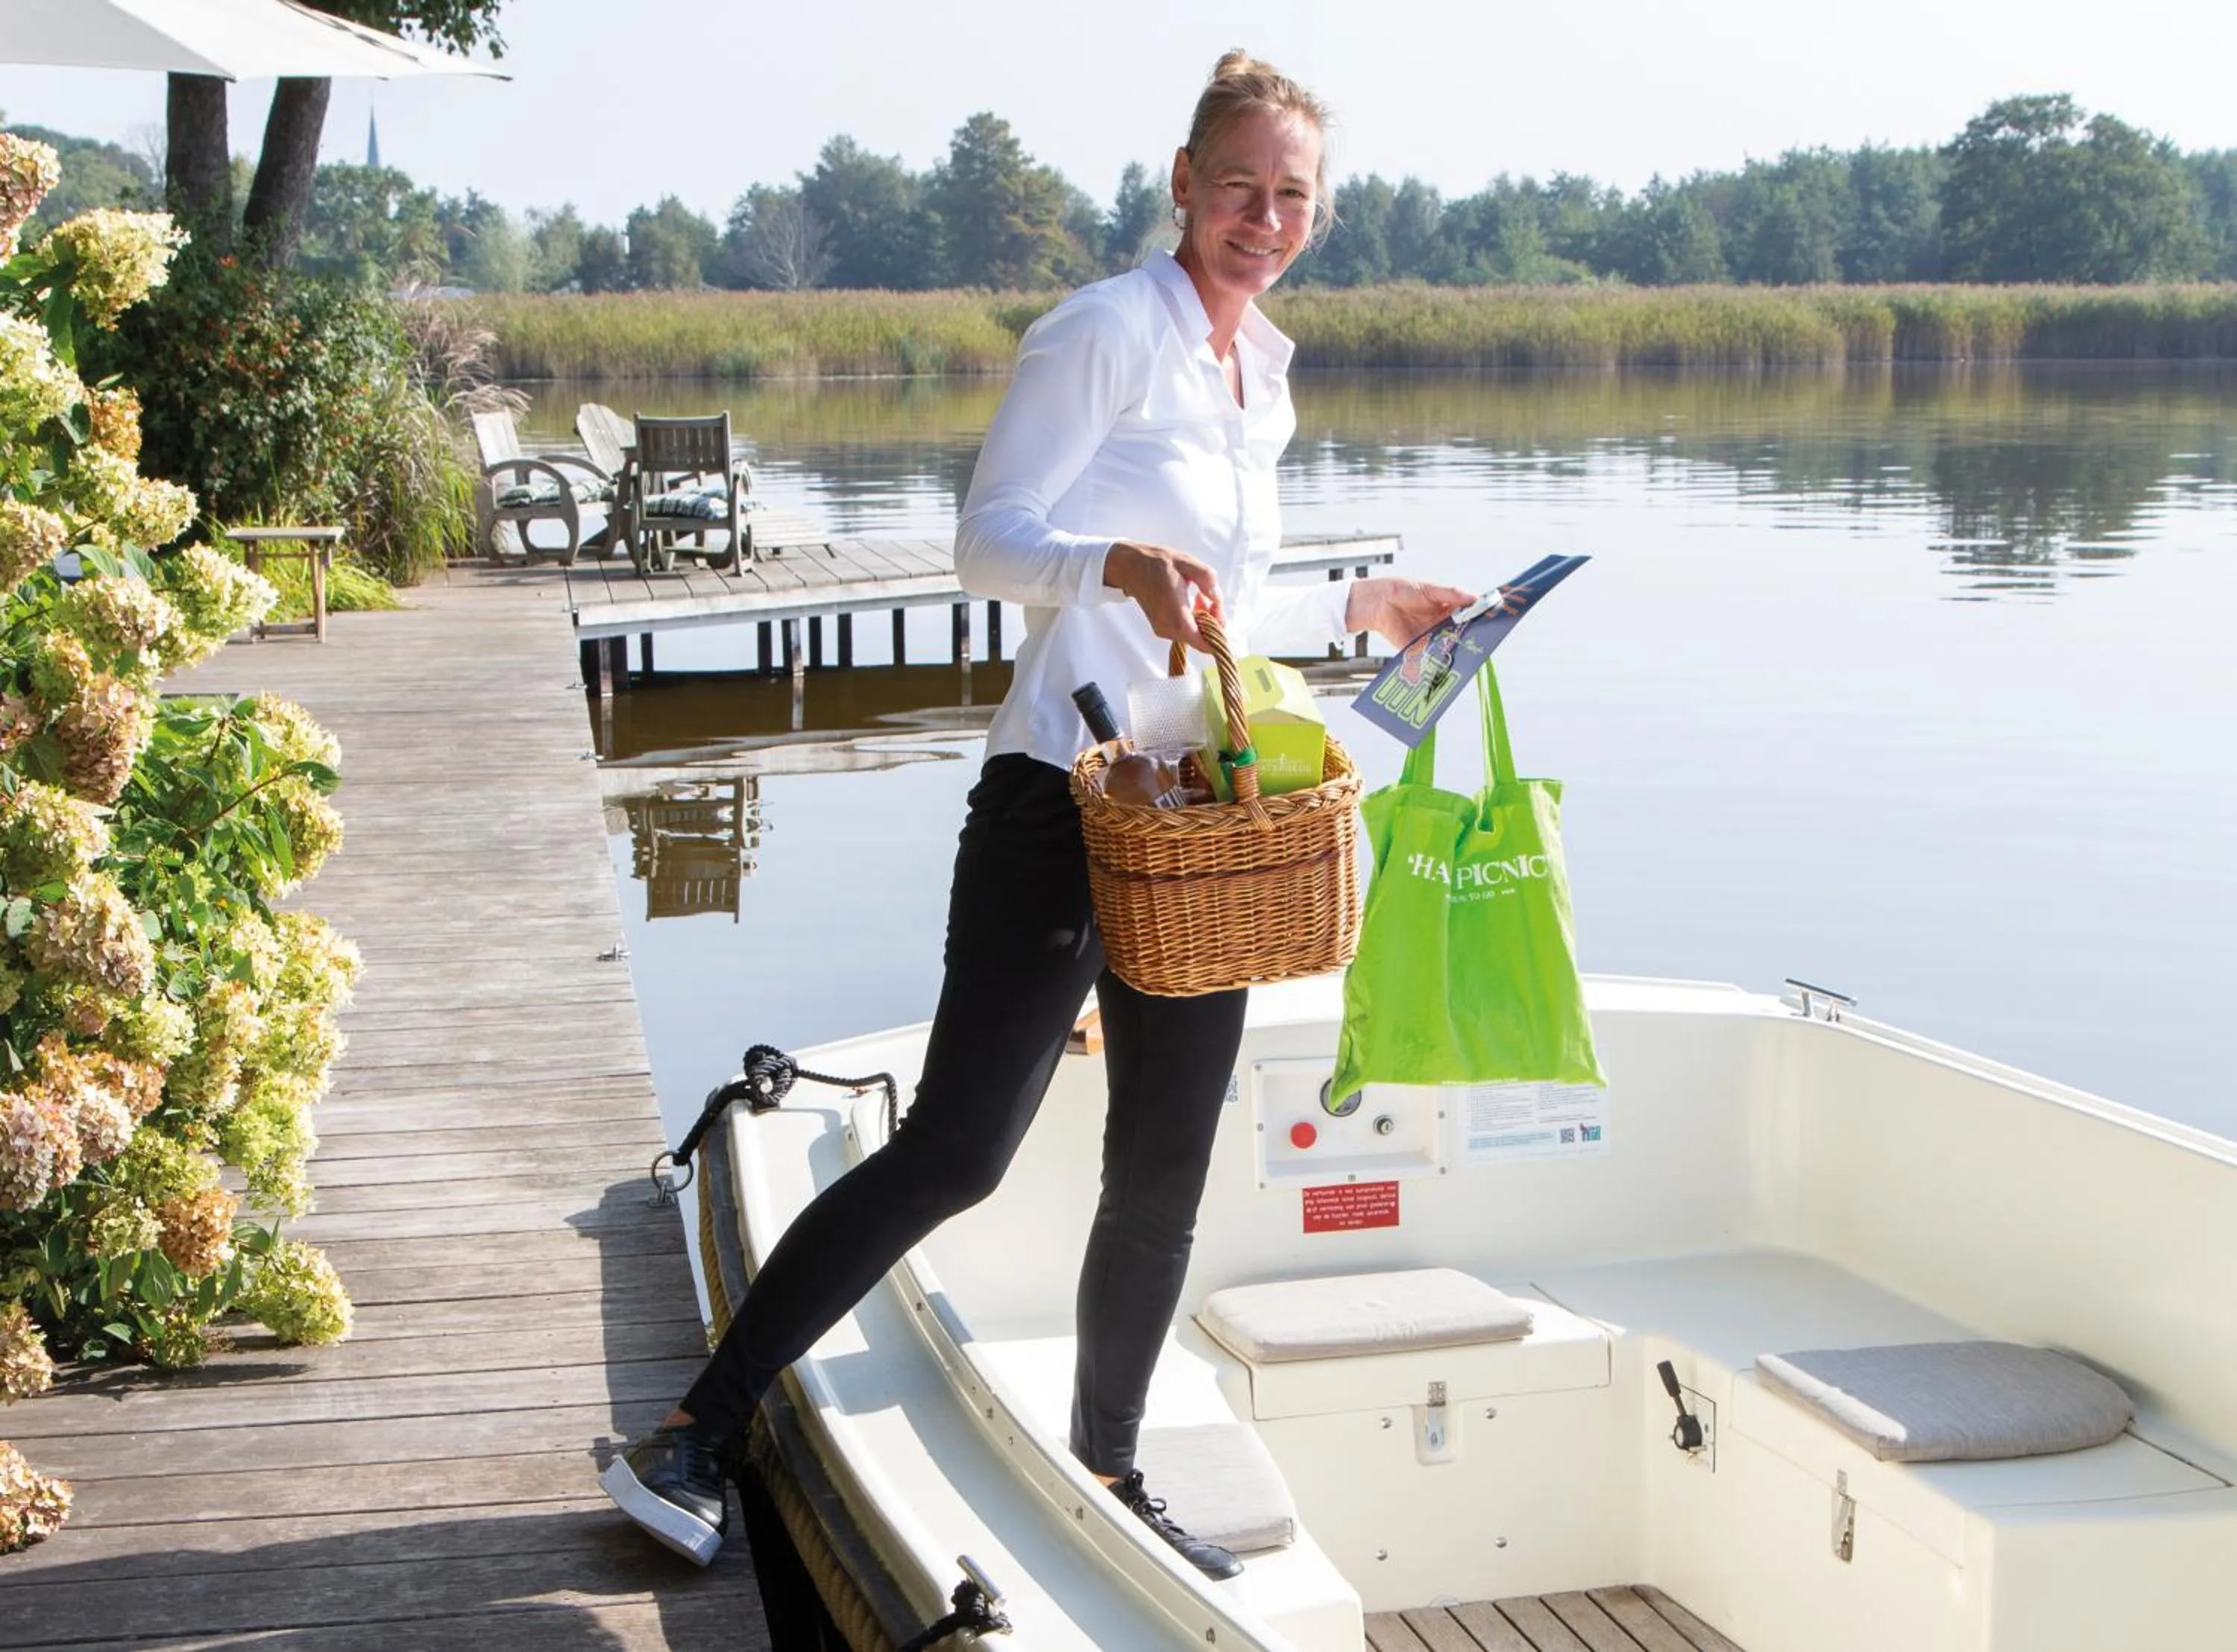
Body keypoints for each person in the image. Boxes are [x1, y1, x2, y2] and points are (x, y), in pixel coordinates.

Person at [600, 49, 1473, 1582]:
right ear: (1185, 186)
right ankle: (697, 1427)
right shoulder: (1104, 332)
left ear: (1315, 215)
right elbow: (990, 541)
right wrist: (1111, 566)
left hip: (1202, 824)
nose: (1262, 218)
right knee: (958, 1150)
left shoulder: (1260, 370)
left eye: (1293, 197)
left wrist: (1362, 603)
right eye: (1239, 188)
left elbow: (1228, 603)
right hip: (1057, 800)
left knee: (1162, 1171)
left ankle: (1112, 1471)